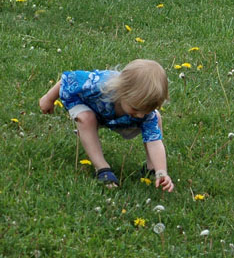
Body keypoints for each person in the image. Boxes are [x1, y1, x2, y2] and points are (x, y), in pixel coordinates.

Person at [39, 59, 174, 191]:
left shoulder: (144, 112)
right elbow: (67, 79)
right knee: (86, 118)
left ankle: (152, 169)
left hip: (119, 118)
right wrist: (48, 98)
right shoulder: (98, 84)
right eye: (136, 109)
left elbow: (154, 141)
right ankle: (102, 168)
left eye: (146, 110)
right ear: (122, 91)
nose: (140, 115)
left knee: (155, 118)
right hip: (89, 106)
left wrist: (162, 172)